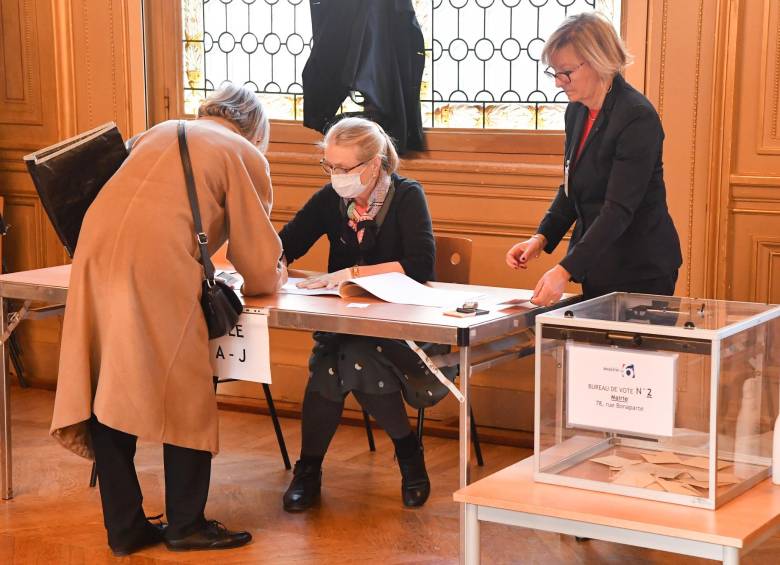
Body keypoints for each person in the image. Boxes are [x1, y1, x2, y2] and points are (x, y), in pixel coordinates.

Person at [50, 84, 287, 555]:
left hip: (94, 260)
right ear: (255, 128)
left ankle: (125, 527)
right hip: (156, 268)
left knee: (106, 385)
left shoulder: (153, 132)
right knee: (185, 392)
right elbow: (259, 265)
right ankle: (186, 523)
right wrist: (272, 275)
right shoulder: (242, 153)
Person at [278, 117, 445, 512]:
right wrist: (275, 261)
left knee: (342, 361)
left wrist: (353, 273)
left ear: (372, 165)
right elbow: (288, 242)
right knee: (347, 356)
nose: (335, 176)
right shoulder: (330, 199)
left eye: (343, 168)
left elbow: (420, 264)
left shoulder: (406, 196)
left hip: (402, 327)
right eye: (329, 167)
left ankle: (309, 470)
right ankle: (409, 454)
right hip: (344, 326)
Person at [506, 12, 681, 304]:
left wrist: (564, 271)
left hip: (640, 270)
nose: (558, 82)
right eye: (554, 72)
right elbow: (571, 187)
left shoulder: (637, 117)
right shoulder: (576, 111)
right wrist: (540, 239)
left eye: (566, 72)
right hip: (598, 267)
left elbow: (618, 210)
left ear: (598, 60)